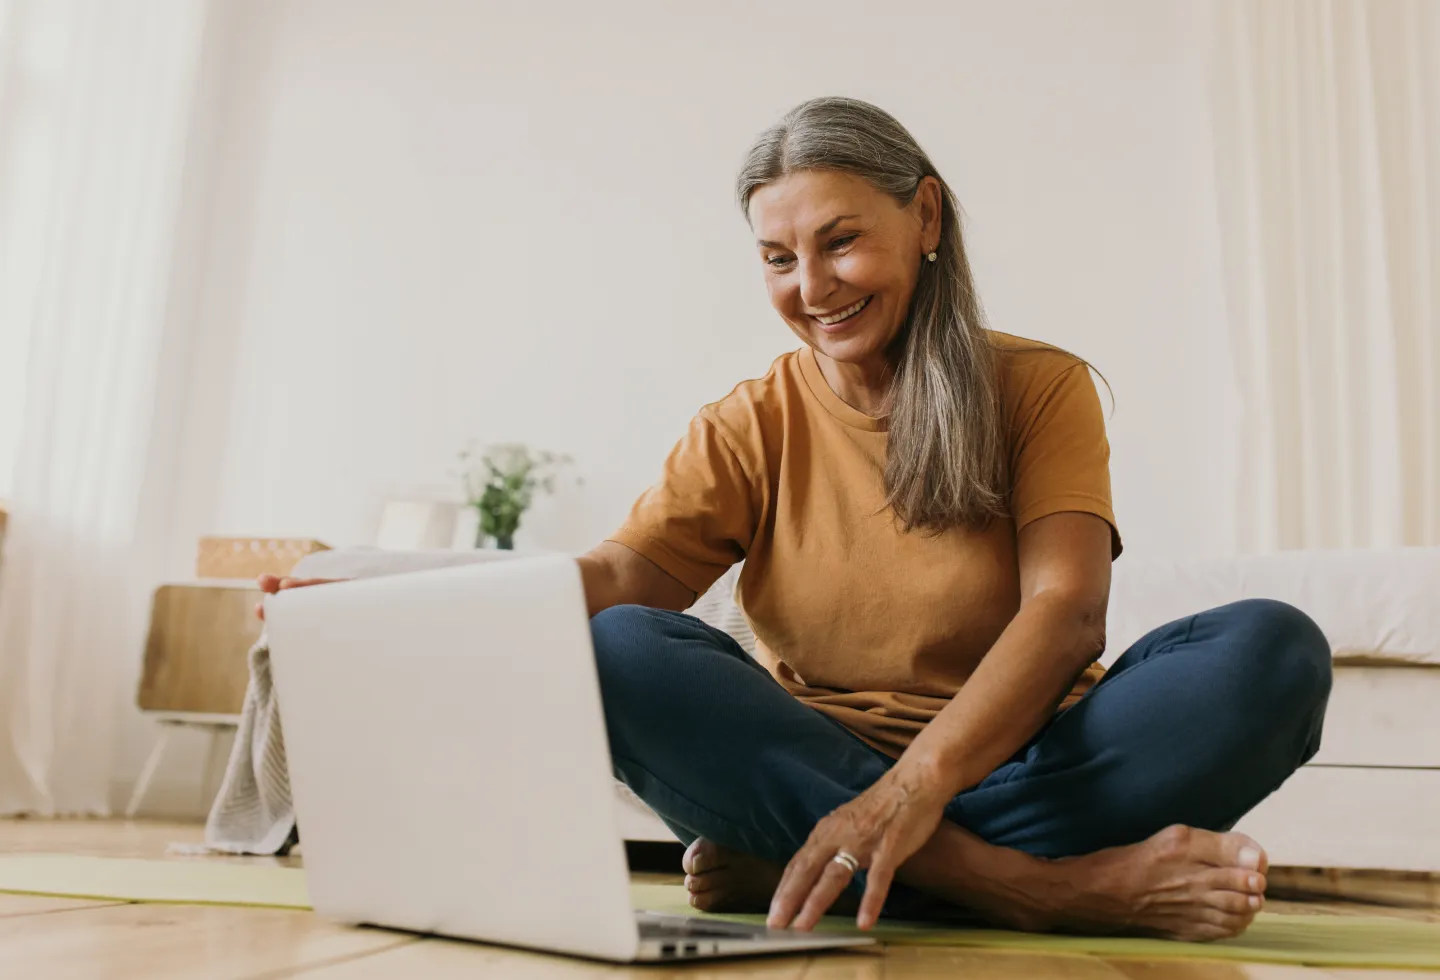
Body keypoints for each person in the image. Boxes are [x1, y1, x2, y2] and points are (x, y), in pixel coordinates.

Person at [259, 96, 1331, 942]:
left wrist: (905, 799)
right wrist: (385, 596)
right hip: (805, 769)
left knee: (1269, 650)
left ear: (926, 216)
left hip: (1018, 762)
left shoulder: (1039, 389)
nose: (811, 285)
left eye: (840, 242)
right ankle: (1033, 889)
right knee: (618, 648)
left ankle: (815, 867)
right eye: (779, 257)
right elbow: (614, 581)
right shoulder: (750, 421)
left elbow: (1066, 616)